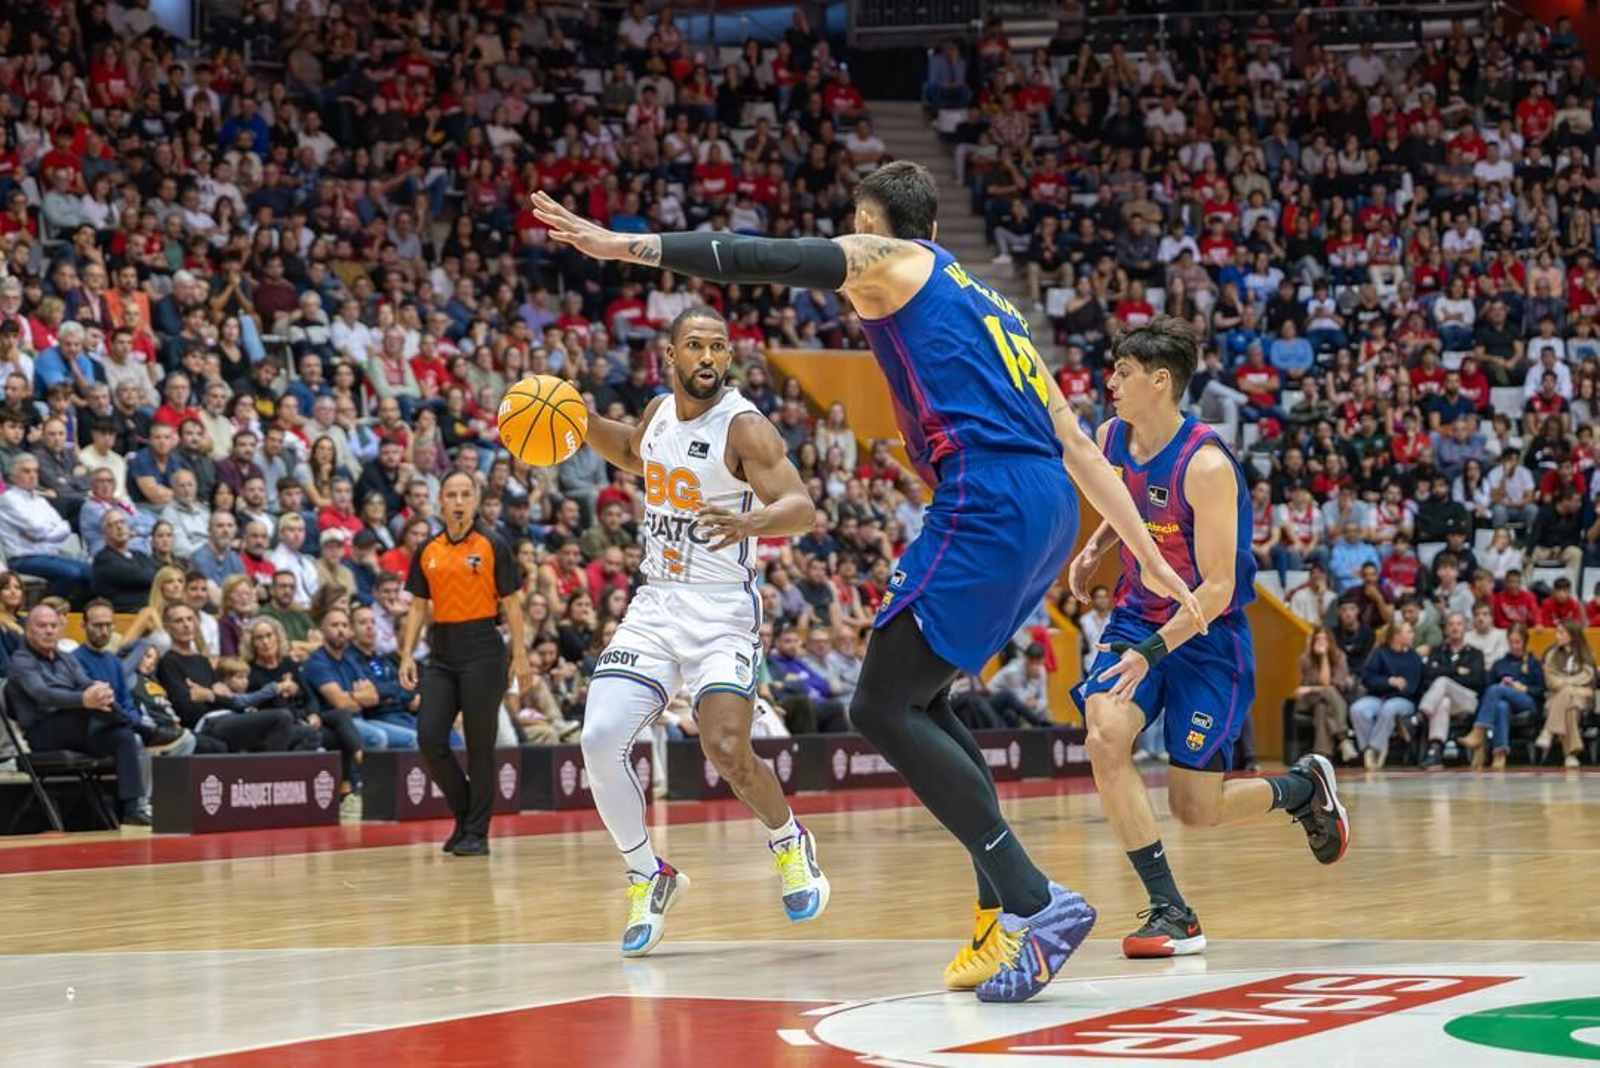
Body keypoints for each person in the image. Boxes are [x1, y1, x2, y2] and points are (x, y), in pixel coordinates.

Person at [530, 161, 1204, 1002]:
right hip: (1043, 506)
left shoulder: (891, 263)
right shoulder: (993, 302)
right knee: (925, 700)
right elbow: (1076, 444)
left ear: (868, 223)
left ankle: (1037, 904)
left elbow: (755, 256)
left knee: (879, 706)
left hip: (985, 494)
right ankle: (1001, 914)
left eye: (852, 224)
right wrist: (1143, 549)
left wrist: (622, 246)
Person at [1066, 318, 1347, 961]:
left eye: (1123, 373)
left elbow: (1217, 588)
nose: (1109, 382)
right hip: (1137, 617)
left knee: (1196, 808)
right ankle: (1172, 910)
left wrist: (1151, 652)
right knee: (1105, 734)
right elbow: (1126, 506)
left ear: (1159, 381)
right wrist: (1096, 546)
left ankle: (1302, 789)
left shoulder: (1208, 465)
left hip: (1206, 636)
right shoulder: (1113, 436)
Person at [575, 307, 825, 957]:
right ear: (671, 355)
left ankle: (790, 840)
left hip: (721, 613)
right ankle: (647, 874)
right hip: (656, 604)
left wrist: (752, 523)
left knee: (726, 750)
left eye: (718, 346)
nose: (708, 356)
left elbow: (801, 506)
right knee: (599, 737)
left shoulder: (743, 427)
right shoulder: (659, 413)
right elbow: (628, 450)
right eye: (695, 346)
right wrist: (573, 417)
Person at [399, 471, 530, 857]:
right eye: (451, 494)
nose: (458, 501)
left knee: (479, 746)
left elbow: (511, 603)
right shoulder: (428, 549)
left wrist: (520, 654)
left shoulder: (494, 544)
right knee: (429, 737)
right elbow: (418, 606)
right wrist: (407, 653)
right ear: (440, 501)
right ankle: (465, 814)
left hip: (484, 650)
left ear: (475, 501)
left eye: (465, 495)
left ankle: (476, 832)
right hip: (442, 650)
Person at [6, 604, 151, 824]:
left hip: (78, 729)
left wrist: (99, 690)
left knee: (122, 736)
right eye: (42, 625)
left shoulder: (66, 658)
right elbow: (42, 694)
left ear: (60, 629)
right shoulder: (21, 660)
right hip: (43, 733)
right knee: (88, 710)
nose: (48, 630)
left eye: (53, 626)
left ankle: (132, 810)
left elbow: (86, 683)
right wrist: (84, 699)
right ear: (29, 630)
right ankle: (140, 726)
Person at [1461, 623, 1543, 771]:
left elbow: (1541, 689)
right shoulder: (1500, 663)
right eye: (1511, 642)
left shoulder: (1533, 662)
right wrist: (1503, 685)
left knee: (1495, 690)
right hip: (1504, 702)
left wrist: (1523, 688)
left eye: (1517, 642)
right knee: (1501, 706)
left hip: (1526, 701)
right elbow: (1486, 690)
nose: (1514, 646)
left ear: (1524, 642)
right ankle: (1500, 753)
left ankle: (1479, 732)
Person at [1350, 621, 1424, 770]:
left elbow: (1412, 687)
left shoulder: (1413, 657)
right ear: (1397, 635)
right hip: (1379, 697)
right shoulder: (1380, 653)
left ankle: (1375, 748)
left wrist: (1397, 687)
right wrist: (1389, 681)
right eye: (1408, 632)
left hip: (1403, 700)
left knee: (1389, 708)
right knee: (1357, 709)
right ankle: (1368, 750)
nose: (1412, 635)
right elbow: (1367, 678)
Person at [1294, 626, 1357, 763]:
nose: (1321, 642)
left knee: (1322, 709)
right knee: (1328, 692)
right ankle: (1343, 738)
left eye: (1325, 639)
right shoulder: (1306, 659)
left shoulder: (1340, 657)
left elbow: (1330, 684)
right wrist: (1322, 657)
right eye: (1318, 639)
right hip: (1308, 701)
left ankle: (1322, 757)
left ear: (1331, 641)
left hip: (1329, 701)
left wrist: (1324, 658)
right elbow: (1325, 683)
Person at [1538, 618, 1593, 768]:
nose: (1557, 636)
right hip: (1556, 698)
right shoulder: (1551, 654)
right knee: (1570, 708)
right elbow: (1551, 682)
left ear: (1572, 635)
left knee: (1569, 697)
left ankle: (1548, 731)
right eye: (1557, 632)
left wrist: (1566, 684)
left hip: (1582, 698)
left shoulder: (1585, 655)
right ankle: (1570, 754)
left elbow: (1589, 680)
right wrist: (1573, 685)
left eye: (1561, 632)